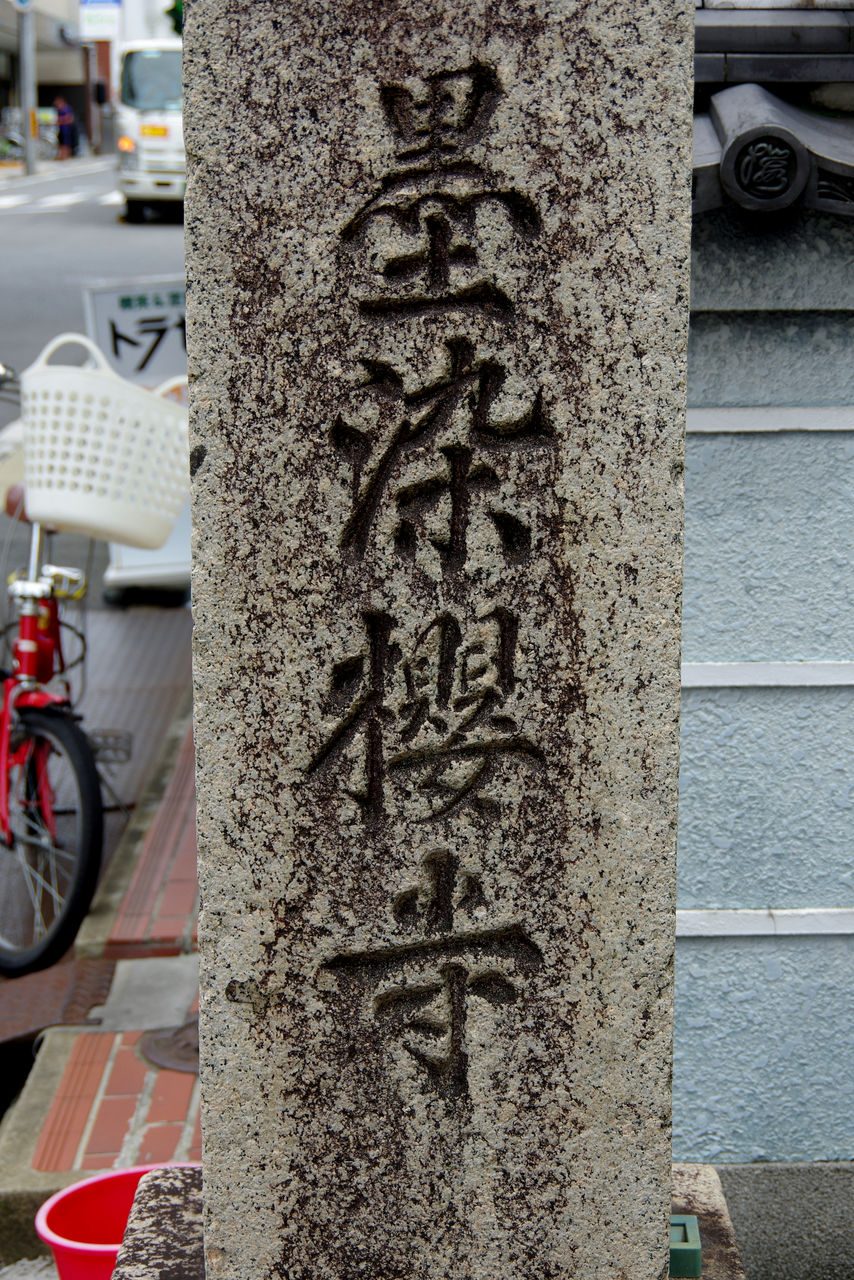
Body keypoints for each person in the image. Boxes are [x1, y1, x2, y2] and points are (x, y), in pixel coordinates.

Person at [54, 97, 75, 161]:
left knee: (66, 144)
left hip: (66, 130)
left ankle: (66, 156)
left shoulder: (66, 109)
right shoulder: (59, 110)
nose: (57, 105)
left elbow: (70, 119)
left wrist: (60, 121)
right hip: (61, 129)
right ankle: (62, 156)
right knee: (61, 143)